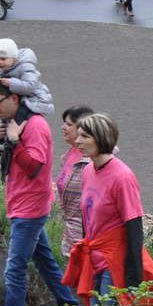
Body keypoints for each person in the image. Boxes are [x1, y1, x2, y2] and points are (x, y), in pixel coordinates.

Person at [0, 79, 81, 306]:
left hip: (30, 209)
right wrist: (0, 142)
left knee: (14, 270)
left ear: (14, 98)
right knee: (44, 262)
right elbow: (17, 161)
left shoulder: (35, 125)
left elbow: (34, 166)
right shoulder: (15, 123)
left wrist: (14, 141)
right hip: (21, 205)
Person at [63, 113, 153, 306]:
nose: (77, 141)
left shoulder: (122, 177)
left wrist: (132, 277)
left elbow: (134, 226)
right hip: (94, 260)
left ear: (101, 138)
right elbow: (88, 219)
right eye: (78, 135)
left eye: (84, 136)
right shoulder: (88, 171)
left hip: (114, 262)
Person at [0, 38, 54, 157]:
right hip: (20, 99)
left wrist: (11, 83)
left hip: (33, 98)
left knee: (18, 118)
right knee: (6, 119)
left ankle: (11, 143)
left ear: (14, 57)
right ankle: (1, 143)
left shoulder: (25, 66)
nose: (0, 62)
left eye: (3, 59)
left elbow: (30, 86)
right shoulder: (1, 71)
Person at [55, 104, 94, 260]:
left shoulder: (92, 160)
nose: (63, 127)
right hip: (70, 231)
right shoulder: (68, 155)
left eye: (69, 124)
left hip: (86, 235)